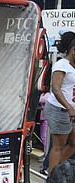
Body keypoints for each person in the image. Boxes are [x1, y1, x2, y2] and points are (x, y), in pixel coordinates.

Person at [43, 31, 75, 175]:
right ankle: (52, 177)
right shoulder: (61, 65)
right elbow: (56, 89)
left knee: (73, 143)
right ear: (74, 50)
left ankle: (57, 172)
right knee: (58, 145)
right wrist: (69, 108)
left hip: (71, 111)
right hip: (59, 110)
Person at [37, 90, 50, 163]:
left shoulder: (49, 94)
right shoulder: (43, 94)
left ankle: (46, 154)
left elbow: (41, 100)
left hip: (47, 117)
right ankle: (45, 153)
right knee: (43, 137)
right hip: (42, 117)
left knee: (45, 137)